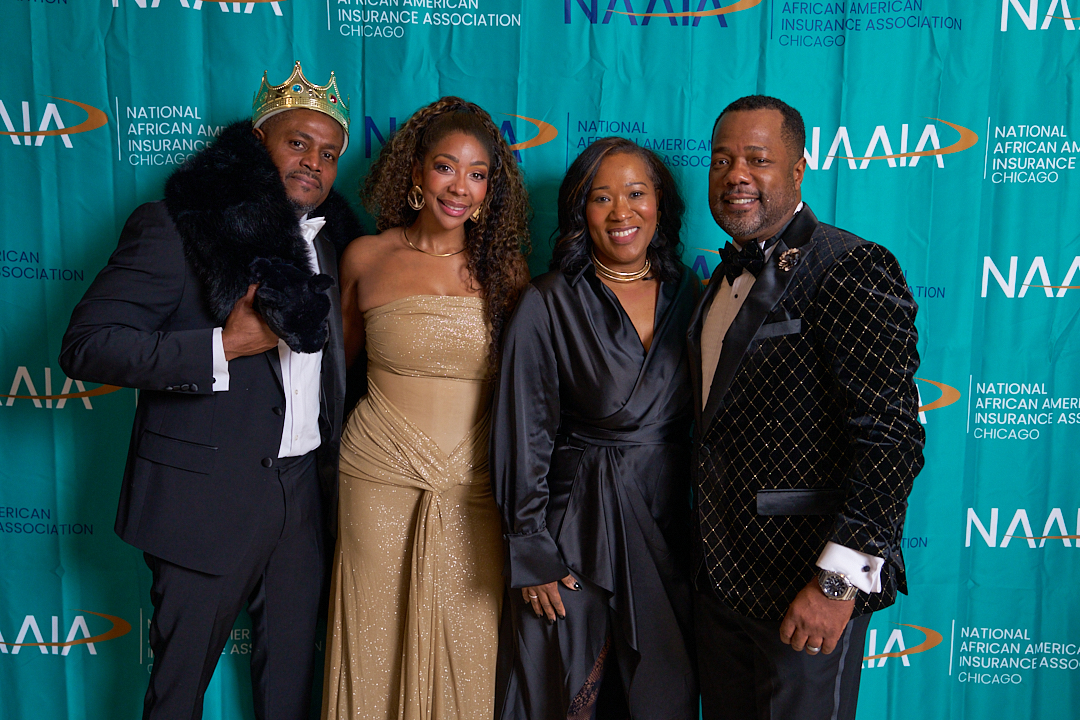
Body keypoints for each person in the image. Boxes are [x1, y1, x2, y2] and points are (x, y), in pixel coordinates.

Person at [58, 62, 362, 719]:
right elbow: (87, 344)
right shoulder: (175, 229)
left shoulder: (337, 247)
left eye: (329, 154)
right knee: (177, 695)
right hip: (203, 499)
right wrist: (222, 345)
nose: (313, 162)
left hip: (300, 498)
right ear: (256, 143)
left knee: (290, 693)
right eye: (297, 143)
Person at [689, 94, 925, 720]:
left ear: (797, 170)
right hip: (721, 583)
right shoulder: (717, 283)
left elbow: (892, 438)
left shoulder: (851, 266)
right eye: (722, 160)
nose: (736, 175)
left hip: (805, 589)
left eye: (757, 159)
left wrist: (837, 583)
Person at [322, 97, 530, 720]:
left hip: (473, 484)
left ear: (489, 190)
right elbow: (336, 376)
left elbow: (523, 395)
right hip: (377, 476)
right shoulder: (365, 257)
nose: (459, 187)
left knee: (468, 644)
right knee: (372, 640)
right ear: (416, 172)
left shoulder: (507, 273)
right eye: (445, 167)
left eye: (477, 174)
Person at [491, 137, 699, 720]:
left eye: (636, 193)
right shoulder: (548, 301)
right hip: (574, 536)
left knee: (663, 696)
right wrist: (531, 550)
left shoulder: (691, 293)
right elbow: (524, 432)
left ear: (660, 203)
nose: (621, 212)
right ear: (580, 210)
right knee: (570, 694)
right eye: (601, 197)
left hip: (668, 529)